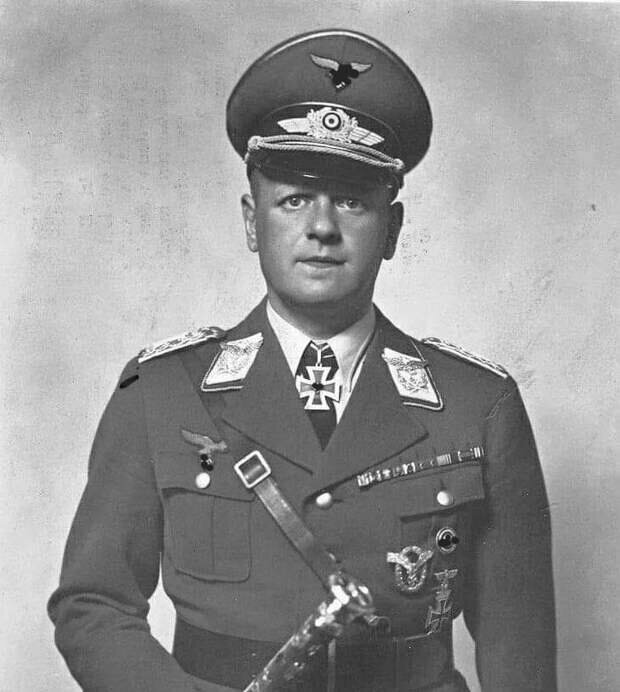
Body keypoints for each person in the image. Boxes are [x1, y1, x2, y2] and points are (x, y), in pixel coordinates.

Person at [48, 29, 556, 691]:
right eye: (293, 199)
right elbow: (93, 603)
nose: (321, 227)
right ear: (251, 220)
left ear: (393, 229)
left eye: (351, 200)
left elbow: (522, 642)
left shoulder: (476, 404)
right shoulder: (163, 391)